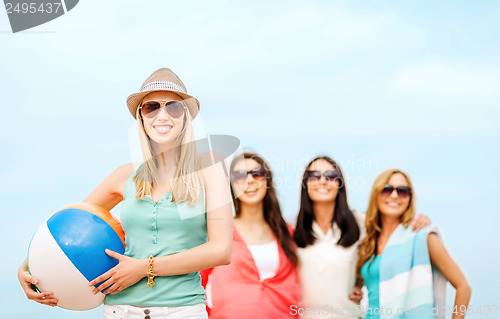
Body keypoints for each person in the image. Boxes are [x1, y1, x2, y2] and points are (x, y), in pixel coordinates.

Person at [17, 68, 233, 319]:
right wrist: (26, 267)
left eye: (173, 107)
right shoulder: (124, 175)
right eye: (152, 107)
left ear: (185, 116)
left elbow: (221, 250)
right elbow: (69, 227)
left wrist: (143, 268)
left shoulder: (211, 169)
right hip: (120, 311)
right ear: (141, 116)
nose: (162, 115)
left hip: (183, 310)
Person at [293, 156, 430, 319]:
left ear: (340, 183)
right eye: (314, 176)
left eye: (330, 176)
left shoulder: (360, 223)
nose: (323, 181)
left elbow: (385, 244)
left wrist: (417, 221)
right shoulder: (290, 227)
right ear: (305, 183)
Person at [357, 169, 471, 319]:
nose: (394, 195)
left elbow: (464, 288)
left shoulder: (422, 237)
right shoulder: (367, 242)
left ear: (409, 198)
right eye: (387, 189)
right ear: (376, 194)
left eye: (403, 191)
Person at [200, 152, 300, 318]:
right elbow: (197, 283)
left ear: (267, 181)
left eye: (257, 174)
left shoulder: (287, 232)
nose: (250, 180)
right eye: (239, 176)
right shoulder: (219, 232)